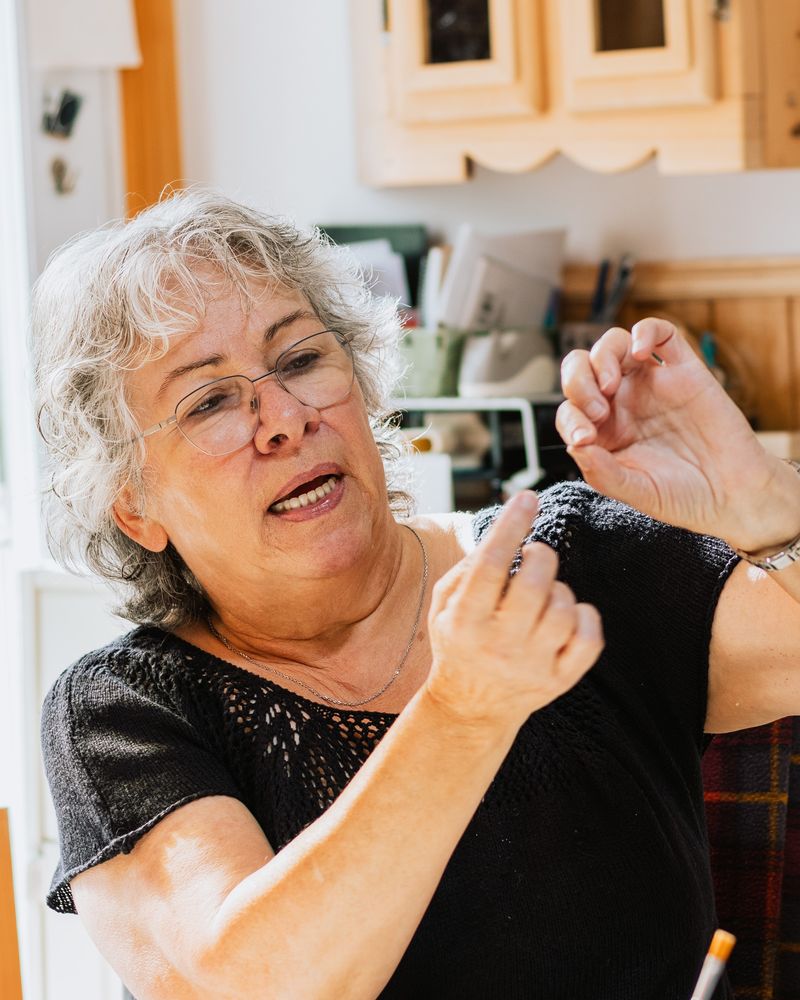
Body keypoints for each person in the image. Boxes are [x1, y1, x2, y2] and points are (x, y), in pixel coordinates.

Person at [35, 189, 800, 1000]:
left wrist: (763, 505)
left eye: (300, 361)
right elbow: (256, 985)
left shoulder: (571, 562)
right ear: (135, 507)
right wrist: (464, 713)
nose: (285, 419)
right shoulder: (123, 712)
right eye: (212, 402)